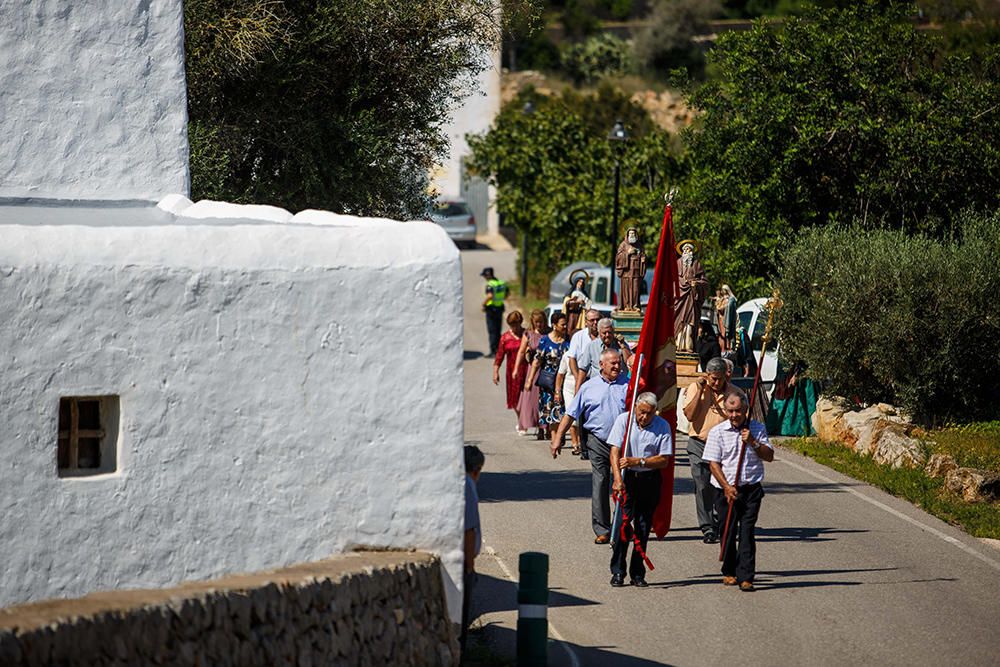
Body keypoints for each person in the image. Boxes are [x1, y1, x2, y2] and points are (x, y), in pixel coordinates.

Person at [551, 349, 629, 544]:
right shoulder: (588, 387)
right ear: (601, 365)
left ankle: (622, 527)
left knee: (625, 483)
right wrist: (558, 437)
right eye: (612, 363)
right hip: (598, 441)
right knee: (601, 481)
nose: (617, 366)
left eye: (619, 363)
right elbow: (571, 414)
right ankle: (602, 529)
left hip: (623, 444)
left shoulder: (628, 386)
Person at [704, 390, 773, 592]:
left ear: (745, 410)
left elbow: (768, 456)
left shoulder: (757, 429)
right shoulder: (718, 432)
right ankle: (729, 571)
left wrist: (753, 442)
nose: (735, 415)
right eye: (731, 411)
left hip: (751, 489)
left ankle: (746, 576)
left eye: (738, 411)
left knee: (747, 532)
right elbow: (713, 464)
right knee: (728, 531)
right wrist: (726, 486)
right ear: (726, 411)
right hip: (725, 490)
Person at [608, 392, 674, 587]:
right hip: (628, 479)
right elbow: (614, 451)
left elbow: (663, 460)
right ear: (636, 407)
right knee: (622, 527)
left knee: (643, 528)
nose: (644, 417)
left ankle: (637, 573)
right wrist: (618, 479)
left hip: (649, 480)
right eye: (641, 412)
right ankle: (618, 570)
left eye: (649, 413)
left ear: (655, 412)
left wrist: (640, 461)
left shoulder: (662, 426)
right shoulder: (624, 421)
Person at [681, 357, 730, 544]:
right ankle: (707, 526)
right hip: (699, 443)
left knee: (721, 485)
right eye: (712, 379)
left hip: (723, 446)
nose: (716, 383)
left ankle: (722, 520)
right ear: (706, 375)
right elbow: (691, 415)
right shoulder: (696, 388)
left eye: (719, 379)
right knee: (702, 485)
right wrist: (702, 390)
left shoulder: (734, 392)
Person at [526, 311, 570, 441]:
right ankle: (554, 437)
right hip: (548, 381)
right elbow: (537, 360)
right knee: (550, 409)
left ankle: (559, 434)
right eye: (563, 324)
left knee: (563, 408)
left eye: (566, 324)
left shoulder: (568, 340)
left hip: (564, 380)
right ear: (554, 325)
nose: (565, 327)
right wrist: (529, 380)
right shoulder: (545, 340)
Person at [564, 309, 602, 455]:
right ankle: (585, 447)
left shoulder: (605, 335)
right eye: (591, 320)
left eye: (597, 319)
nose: (594, 323)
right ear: (586, 322)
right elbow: (572, 357)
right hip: (584, 378)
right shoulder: (579, 337)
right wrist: (577, 376)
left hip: (600, 379)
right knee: (583, 414)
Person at [461, 445, 485, 649]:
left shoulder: (464, 483)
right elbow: (468, 531)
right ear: (476, 470)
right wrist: (470, 565)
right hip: (464, 563)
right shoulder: (467, 486)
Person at [514, 309, 547, 438]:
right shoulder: (528, 334)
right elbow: (521, 352)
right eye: (537, 322)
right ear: (533, 322)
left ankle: (544, 428)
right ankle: (532, 424)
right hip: (532, 370)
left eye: (541, 322)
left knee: (544, 400)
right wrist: (516, 368)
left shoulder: (549, 333)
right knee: (531, 401)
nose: (539, 324)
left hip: (546, 369)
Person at [493, 311, 527, 433]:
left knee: (526, 397)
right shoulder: (505, 338)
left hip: (527, 369)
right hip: (512, 372)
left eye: (517, 324)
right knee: (515, 399)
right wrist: (495, 372)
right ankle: (521, 421)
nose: (515, 327)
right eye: (512, 325)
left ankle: (524, 422)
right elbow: (499, 356)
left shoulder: (527, 334)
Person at [575, 318, 633, 385]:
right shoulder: (591, 346)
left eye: (610, 332)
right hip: (597, 385)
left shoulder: (621, 344)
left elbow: (629, 363)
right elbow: (583, 370)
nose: (607, 335)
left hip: (619, 385)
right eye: (604, 333)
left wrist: (623, 346)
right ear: (599, 332)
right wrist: (577, 390)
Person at [674, 241, 708, 352]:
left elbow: (704, 281)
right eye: (685, 250)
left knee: (689, 321)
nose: (687, 252)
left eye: (689, 250)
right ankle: (677, 343)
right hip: (679, 298)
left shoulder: (696, 264)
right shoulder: (677, 263)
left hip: (691, 297)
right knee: (679, 320)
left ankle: (687, 345)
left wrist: (696, 284)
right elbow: (672, 280)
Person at [615, 227, 646, 312]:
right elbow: (618, 257)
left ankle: (635, 305)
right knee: (626, 289)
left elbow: (643, 255)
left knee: (635, 289)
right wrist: (627, 253)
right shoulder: (623, 245)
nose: (632, 235)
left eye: (633, 233)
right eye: (630, 233)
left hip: (636, 271)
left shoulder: (639, 245)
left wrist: (643, 259)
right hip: (626, 272)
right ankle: (626, 305)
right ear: (627, 235)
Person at [481, 267, 508, 357]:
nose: (484, 277)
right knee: (497, 330)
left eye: (484, 275)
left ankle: (493, 351)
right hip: (499, 308)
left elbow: (490, 295)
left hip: (491, 309)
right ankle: (499, 350)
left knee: (492, 331)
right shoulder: (501, 283)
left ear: (488, 275)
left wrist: (483, 304)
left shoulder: (490, 284)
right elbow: (507, 294)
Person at [716, 285, 738, 351]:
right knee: (722, 334)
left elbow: (724, 308)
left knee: (726, 334)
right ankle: (723, 347)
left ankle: (727, 347)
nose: (722, 291)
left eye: (723, 290)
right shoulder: (723, 299)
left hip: (725, 318)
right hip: (721, 319)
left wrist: (721, 307)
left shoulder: (730, 299)